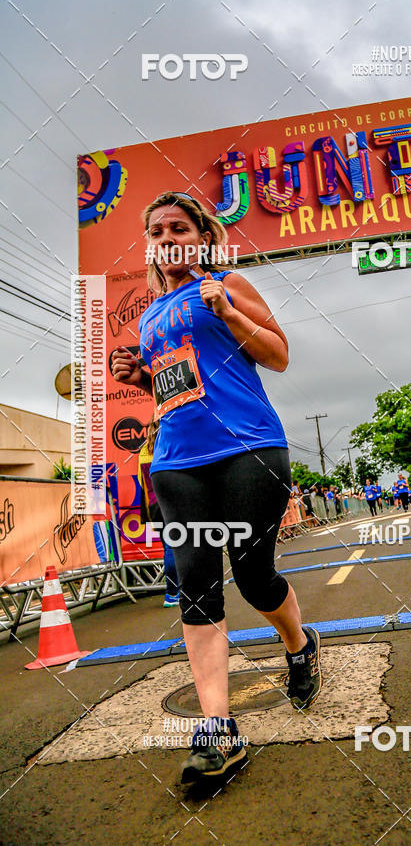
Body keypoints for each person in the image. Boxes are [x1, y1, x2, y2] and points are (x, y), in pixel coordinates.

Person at [110, 191, 321, 784]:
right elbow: (181, 386)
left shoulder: (228, 283)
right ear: (150, 243)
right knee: (197, 588)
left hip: (250, 447)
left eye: (179, 227)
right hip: (178, 461)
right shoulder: (150, 316)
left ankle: (300, 645)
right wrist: (145, 375)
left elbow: (278, 355)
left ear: (202, 238)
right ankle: (217, 733)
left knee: (254, 576)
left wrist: (229, 311)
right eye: (157, 230)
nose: (167, 236)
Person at [138, 414, 179, 607]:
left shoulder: (143, 452)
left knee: (168, 547)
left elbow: (140, 480)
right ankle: (174, 593)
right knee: (178, 546)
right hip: (172, 502)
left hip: (153, 505)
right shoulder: (170, 446)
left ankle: (173, 593)